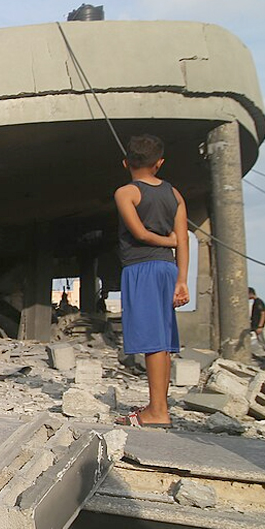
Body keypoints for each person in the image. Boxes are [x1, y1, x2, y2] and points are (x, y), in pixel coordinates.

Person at [113, 134, 188, 429]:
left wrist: (165, 240)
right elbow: (183, 240)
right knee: (162, 340)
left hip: (141, 267)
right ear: (160, 163)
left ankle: (157, 411)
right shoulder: (175, 194)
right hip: (168, 268)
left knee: (152, 340)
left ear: (125, 163)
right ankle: (158, 406)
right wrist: (182, 279)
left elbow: (140, 233)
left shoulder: (126, 193)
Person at [249, 287, 265, 356]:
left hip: (258, 326)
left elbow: (263, 314)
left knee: (262, 341)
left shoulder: (259, 302)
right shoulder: (255, 302)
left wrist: (260, 326)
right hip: (254, 325)